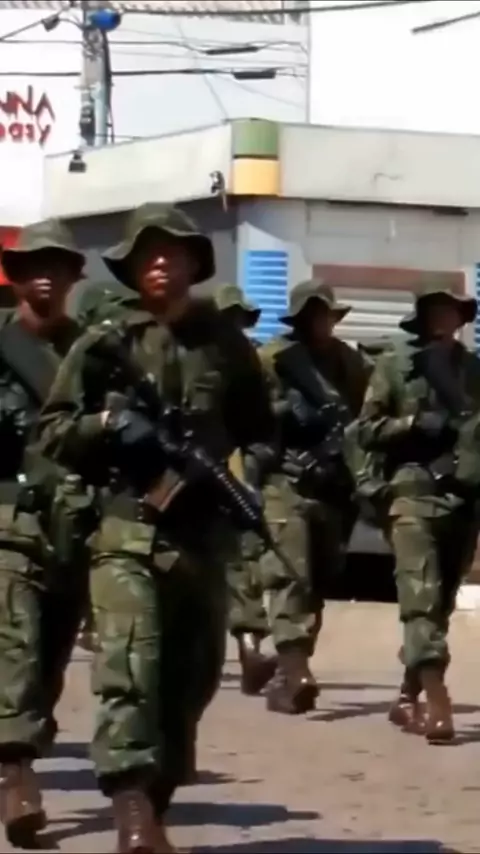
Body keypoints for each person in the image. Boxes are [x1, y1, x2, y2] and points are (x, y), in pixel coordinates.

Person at [35, 203, 273, 853]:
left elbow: (261, 430)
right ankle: (132, 805)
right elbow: (53, 431)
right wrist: (109, 427)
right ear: (133, 267)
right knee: (129, 667)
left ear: (196, 263)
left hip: (201, 538)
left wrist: (241, 477)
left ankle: (157, 796)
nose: (160, 261)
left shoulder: (225, 345)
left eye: (172, 251)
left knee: (193, 676)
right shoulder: (103, 340)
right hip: (125, 530)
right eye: (147, 252)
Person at [0, 219, 90, 848]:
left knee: (52, 658)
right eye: (35, 265)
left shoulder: (91, 351)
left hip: (74, 524)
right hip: (8, 517)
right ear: (16, 276)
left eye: (58, 266)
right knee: (16, 645)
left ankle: (24, 741)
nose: (46, 277)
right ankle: (16, 773)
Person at [357, 283, 480, 744]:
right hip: (412, 493)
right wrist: (411, 424)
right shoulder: (396, 365)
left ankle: (408, 695)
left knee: (440, 603)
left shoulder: (473, 370)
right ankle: (438, 700)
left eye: (452, 310)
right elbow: (366, 430)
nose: (444, 318)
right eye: (436, 310)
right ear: (423, 316)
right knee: (420, 596)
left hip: (462, 499)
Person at [254, 278, 372, 714]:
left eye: (324, 314)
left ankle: (290, 669)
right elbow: (246, 415)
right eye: (310, 315)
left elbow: (367, 413)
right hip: (285, 480)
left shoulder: (350, 362)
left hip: (332, 485)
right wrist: (283, 414)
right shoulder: (272, 360)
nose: (319, 323)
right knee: (291, 572)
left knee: (320, 577)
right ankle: (295, 668)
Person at [214, 283, 277, 695]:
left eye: (240, 318)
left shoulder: (256, 362)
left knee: (243, 558)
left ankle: (249, 647)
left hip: (237, 471)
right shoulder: (197, 357)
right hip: (193, 470)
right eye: (228, 318)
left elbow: (265, 421)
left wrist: (258, 459)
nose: (235, 326)